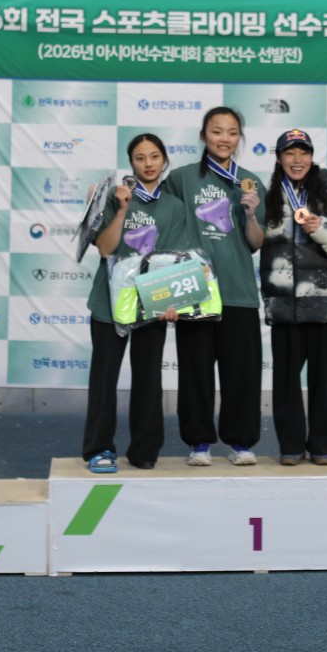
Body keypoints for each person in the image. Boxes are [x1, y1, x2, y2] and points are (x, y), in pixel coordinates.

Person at [81, 134, 193, 473]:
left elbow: (171, 259)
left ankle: (144, 449)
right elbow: (105, 249)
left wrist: (169, 301)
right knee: (104, 380)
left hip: (150, 301)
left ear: (164, 160)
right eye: (140, 158)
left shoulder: (174, 207)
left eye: (154, 156)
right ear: (131, 163)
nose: (148, 163)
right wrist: (122, 210)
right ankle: (100, 448)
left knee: (148, 379)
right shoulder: (115, 198)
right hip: (108, 303)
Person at [162, 106, 266, 467]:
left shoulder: (250, 182)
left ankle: (241, 442)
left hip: (238, 289)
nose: (225, 139)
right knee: (196, 372)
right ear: (204, 135)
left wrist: (250, 214)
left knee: (242, 373)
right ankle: (199, 443)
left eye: (232, 132)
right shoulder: (181, 179)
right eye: (217, 131)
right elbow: (158, 217)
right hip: (194, 290)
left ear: (240, 138)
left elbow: (256, 242)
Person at [260, 128, 327, 467]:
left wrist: (322, 230)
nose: (297, 159)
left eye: (303, 152)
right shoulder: (268, 200)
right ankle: (291, 446)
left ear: (311, 157)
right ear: (279, 159)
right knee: (286, 384)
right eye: (289, 153)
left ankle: (322, 447)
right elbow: (251, 241)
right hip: (284, 306)